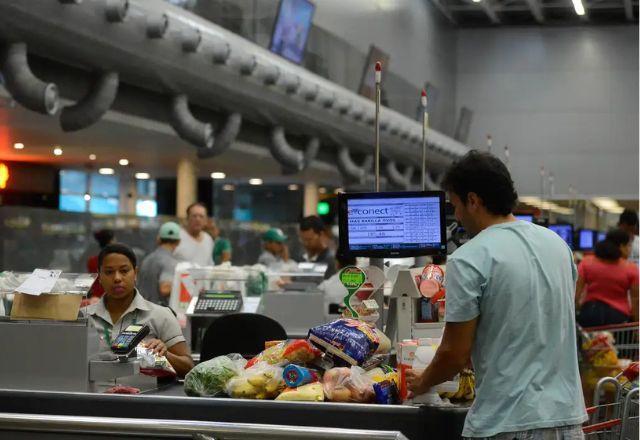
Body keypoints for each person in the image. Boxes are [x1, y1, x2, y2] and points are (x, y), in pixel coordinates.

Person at [406, 151, 586, 439]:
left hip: (506, 423)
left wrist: (422, 382)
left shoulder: (470, 258)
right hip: (566, 419)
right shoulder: (557, 245)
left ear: (473, 201)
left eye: (456, 205)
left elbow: (454, 354)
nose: (459, 217)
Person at [85, 243, 194, 377]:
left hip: (146, 395)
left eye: (124, 271)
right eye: (109, 272)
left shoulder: (161, 315)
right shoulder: (84, 317)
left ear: (135, 273)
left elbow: (188, 367)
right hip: (92, 396)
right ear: (99, 276)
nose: (117, 278)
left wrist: (165, 355)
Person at [575, 228, 639, 327]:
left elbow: (576, 293)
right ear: (621, 246)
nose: (630, 249)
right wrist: (636, 325)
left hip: (589, 315)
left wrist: (577, 310)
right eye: (629, 245)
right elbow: (636, 301)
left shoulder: (586, 262)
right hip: (618, 319)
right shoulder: (631, 268)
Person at [137, 222, 181, 307]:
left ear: (158, 239)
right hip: (157, 313)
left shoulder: (147, 259)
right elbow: (165, 289)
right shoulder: (171, 262)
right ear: (178, 242)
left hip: (142, 309)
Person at [174, 202, 214, 266]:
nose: (198, 219)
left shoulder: (208, 239)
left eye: (201, 216)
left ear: (206, 220)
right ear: (187, 218)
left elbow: (210, 264)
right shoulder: (176, 237)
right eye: (194, 216)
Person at [86, 229, 115, 299]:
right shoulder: (115, 261)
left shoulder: (91, 260)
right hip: (111, 297)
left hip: (96, 298)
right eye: (114, 239)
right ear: (111, 241)